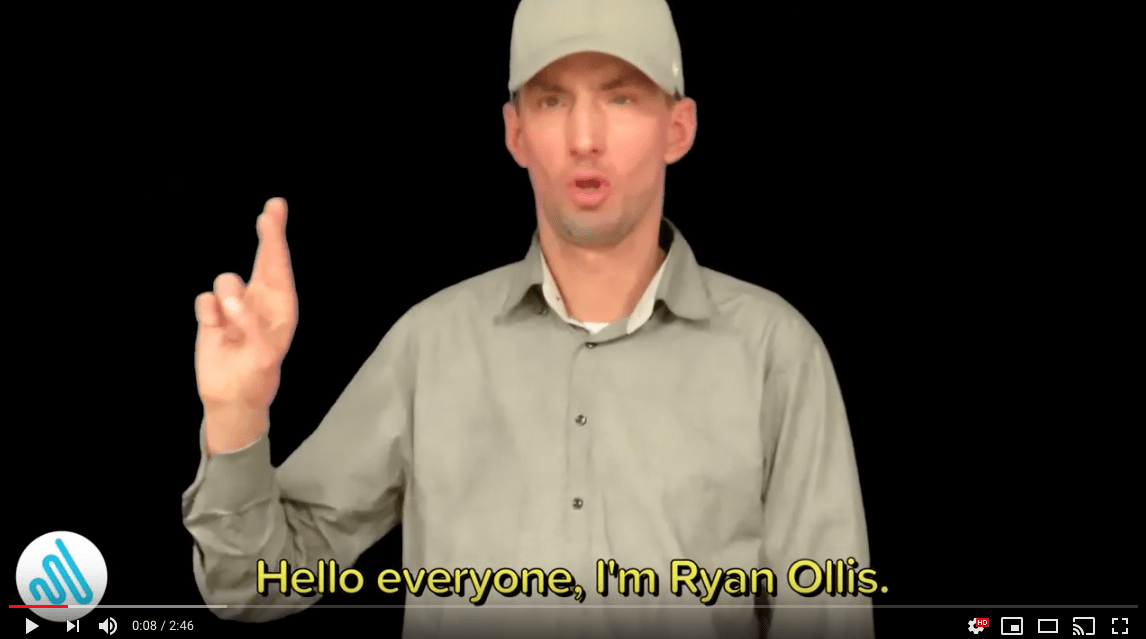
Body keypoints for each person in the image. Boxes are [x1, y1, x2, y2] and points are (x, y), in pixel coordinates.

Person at [182, 1, 875, 637]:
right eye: (551, 100)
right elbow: (251, 585)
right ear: (516, 133)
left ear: (679, 128)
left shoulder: (774, 352)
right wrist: (237, 416)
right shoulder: (432, 346)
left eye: (621, 97)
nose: (584, 137)